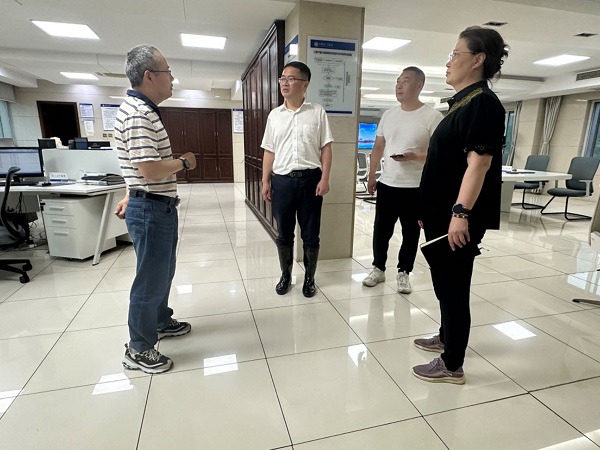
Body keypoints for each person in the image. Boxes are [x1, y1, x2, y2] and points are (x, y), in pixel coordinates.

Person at [412, 26, 508, 384]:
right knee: (444, 282)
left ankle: (452, 363)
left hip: (457, 216)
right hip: (441, 213)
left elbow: (479, 164)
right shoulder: (462, 103)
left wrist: (459, 213)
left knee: (453, 287)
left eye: (455, 54)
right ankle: (446, 336)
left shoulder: (483, 103)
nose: (449, 62)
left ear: (478, 59)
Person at [114, 44, 197, 374]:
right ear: (149, 76)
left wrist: (129, 192)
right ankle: (138, 347)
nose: (172, 78)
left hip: (154, 206)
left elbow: (136, 168)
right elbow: (148, 169)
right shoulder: (138, 115)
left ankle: (160, 320)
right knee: (150, 279)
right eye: (168, 72)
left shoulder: (143, 110)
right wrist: (184, 162)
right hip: (150, 209)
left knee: (162, 271)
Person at [361, 67, 442, 294]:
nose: (399, 85)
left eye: (405, 81)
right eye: (398, 81)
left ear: (419, 86)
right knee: (381, 230)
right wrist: (372, 174)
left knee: (411, 233)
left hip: (416, 187)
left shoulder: (432, 117)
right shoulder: (389, 115)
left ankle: (404, 272)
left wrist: (416, 156)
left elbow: (440, 153)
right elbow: (378, 147)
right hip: (388, 184)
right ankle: (378, 268)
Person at [261, 61, 333, 298]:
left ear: (305, 84)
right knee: (284, 233)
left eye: (291, 78)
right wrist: (265, 181)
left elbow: (326, 148)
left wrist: (325, 178)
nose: (285, 83)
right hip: (282, 182)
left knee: (311, 234)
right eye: (283, 78)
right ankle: (286, 275)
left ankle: (310, 279)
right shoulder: (275, 115)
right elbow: (269, 150)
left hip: (311, 180)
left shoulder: (317, 112)